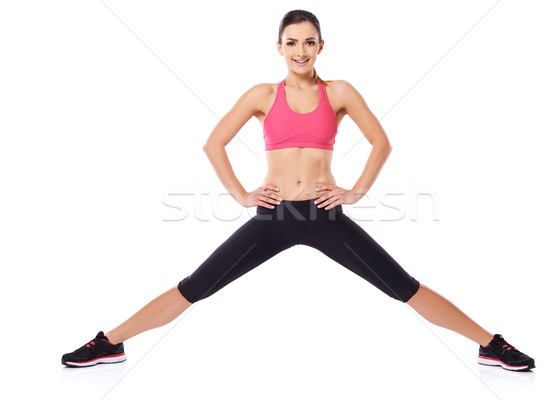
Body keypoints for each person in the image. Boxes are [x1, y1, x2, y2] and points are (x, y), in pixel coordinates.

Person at [61, 9, 535, 372]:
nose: (301, 50)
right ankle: (110, 342)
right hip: (273, 215)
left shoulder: (340, 91)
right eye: (292, 42)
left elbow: (381, 142)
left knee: (402, 287)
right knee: (196, 287)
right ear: (279, 46)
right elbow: (213, 143)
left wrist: (356, 191)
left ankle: (490, 344)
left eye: (309, 42)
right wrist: (243, 195)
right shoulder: (261, 95)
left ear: (321, 45)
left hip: (324, 215)